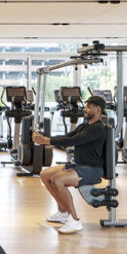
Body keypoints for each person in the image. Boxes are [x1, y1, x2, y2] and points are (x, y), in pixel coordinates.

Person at [32, 95, 108, 235]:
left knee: (58, 179)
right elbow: (68, 137)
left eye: (88, 107)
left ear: (98, 110)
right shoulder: (84, 126)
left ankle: (74, 220)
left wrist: (46, 141)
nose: (85, 110)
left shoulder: (97, 129)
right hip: (80, 166)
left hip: (93, 169)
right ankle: (63, 211)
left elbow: (74, 141)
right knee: (45, 175)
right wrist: (44, 139)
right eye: (85, 106)